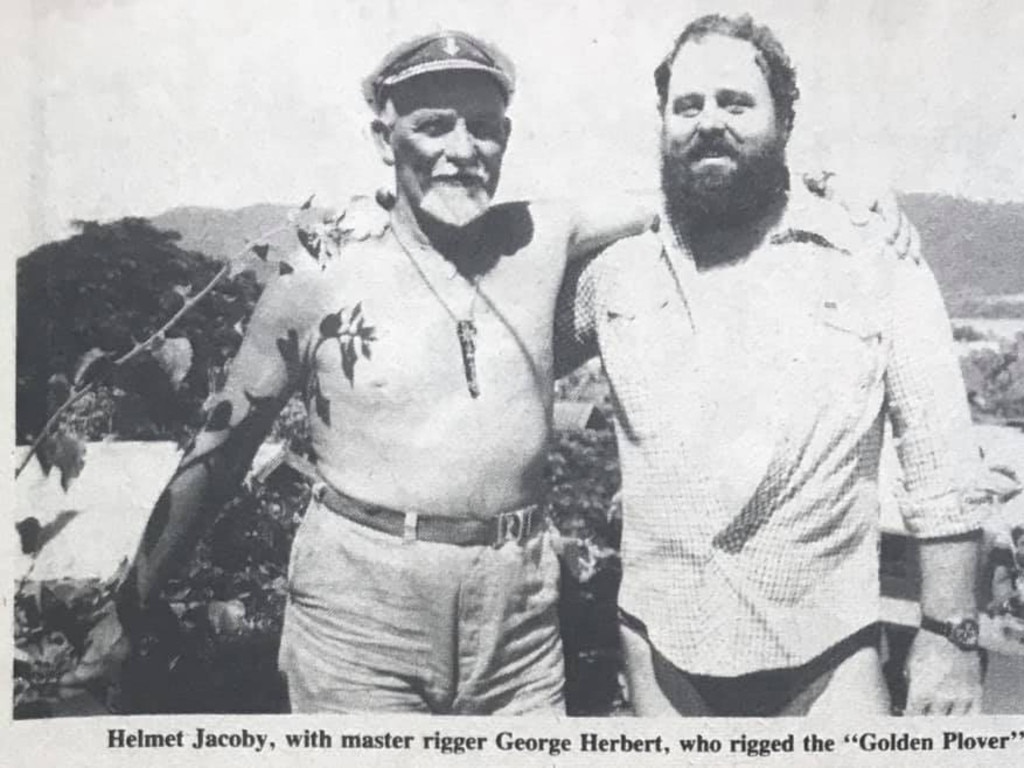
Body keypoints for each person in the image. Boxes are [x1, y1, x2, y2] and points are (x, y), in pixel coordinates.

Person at [62, 29, 910, 714]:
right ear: (382, 135)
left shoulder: (541, 238)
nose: (461, 149)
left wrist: (834, 188)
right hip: (362, 616)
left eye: (483, 126)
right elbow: (220, 451)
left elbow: (706, 181)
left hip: (520, 624)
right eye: (432, 124)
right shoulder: (320, 276)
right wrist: (126, 613)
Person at [555, 13, 987, 717]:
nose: (708, 123)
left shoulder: (874, 255)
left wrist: (949, 636)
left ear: (785, 118)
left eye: (735, 103)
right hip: (659, 661)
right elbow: (503, 350)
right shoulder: (616, 274)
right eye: (687, 106)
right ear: (662, 122)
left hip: (826, 663)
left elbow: (942, 462)